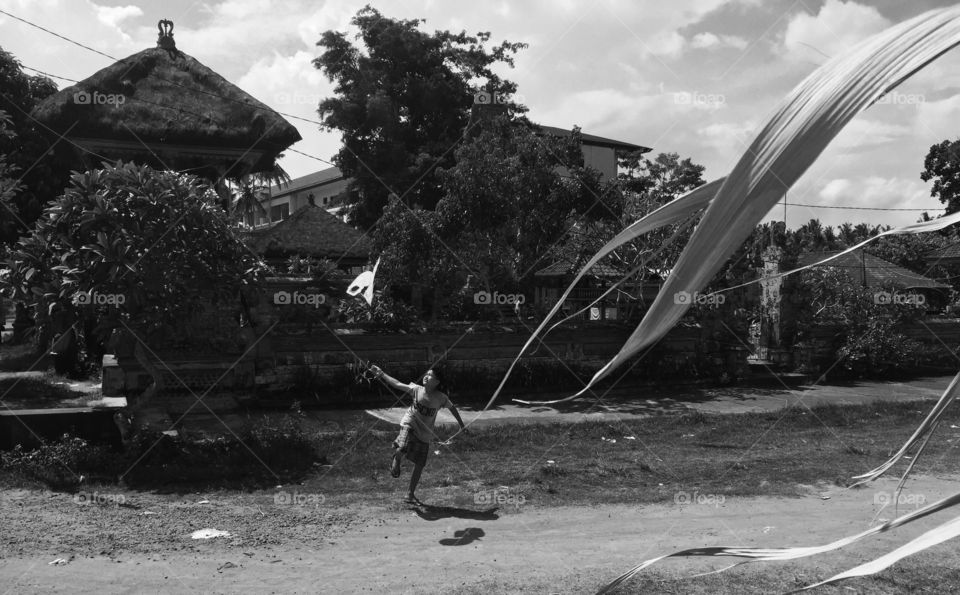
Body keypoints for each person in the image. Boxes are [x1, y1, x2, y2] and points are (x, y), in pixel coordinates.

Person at [368, 365, 466, 504]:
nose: (426, 376)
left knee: (420, 464)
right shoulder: (416, 389)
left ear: (437, 382)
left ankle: (410, 494)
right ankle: (397, 459)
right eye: (426, 374)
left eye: (430, 375)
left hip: (425, 433)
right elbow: (397, 384)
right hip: (410, 423)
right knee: (403, 444)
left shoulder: (441, 398)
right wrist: (382, 374)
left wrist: (462, 425)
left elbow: (453, 409)